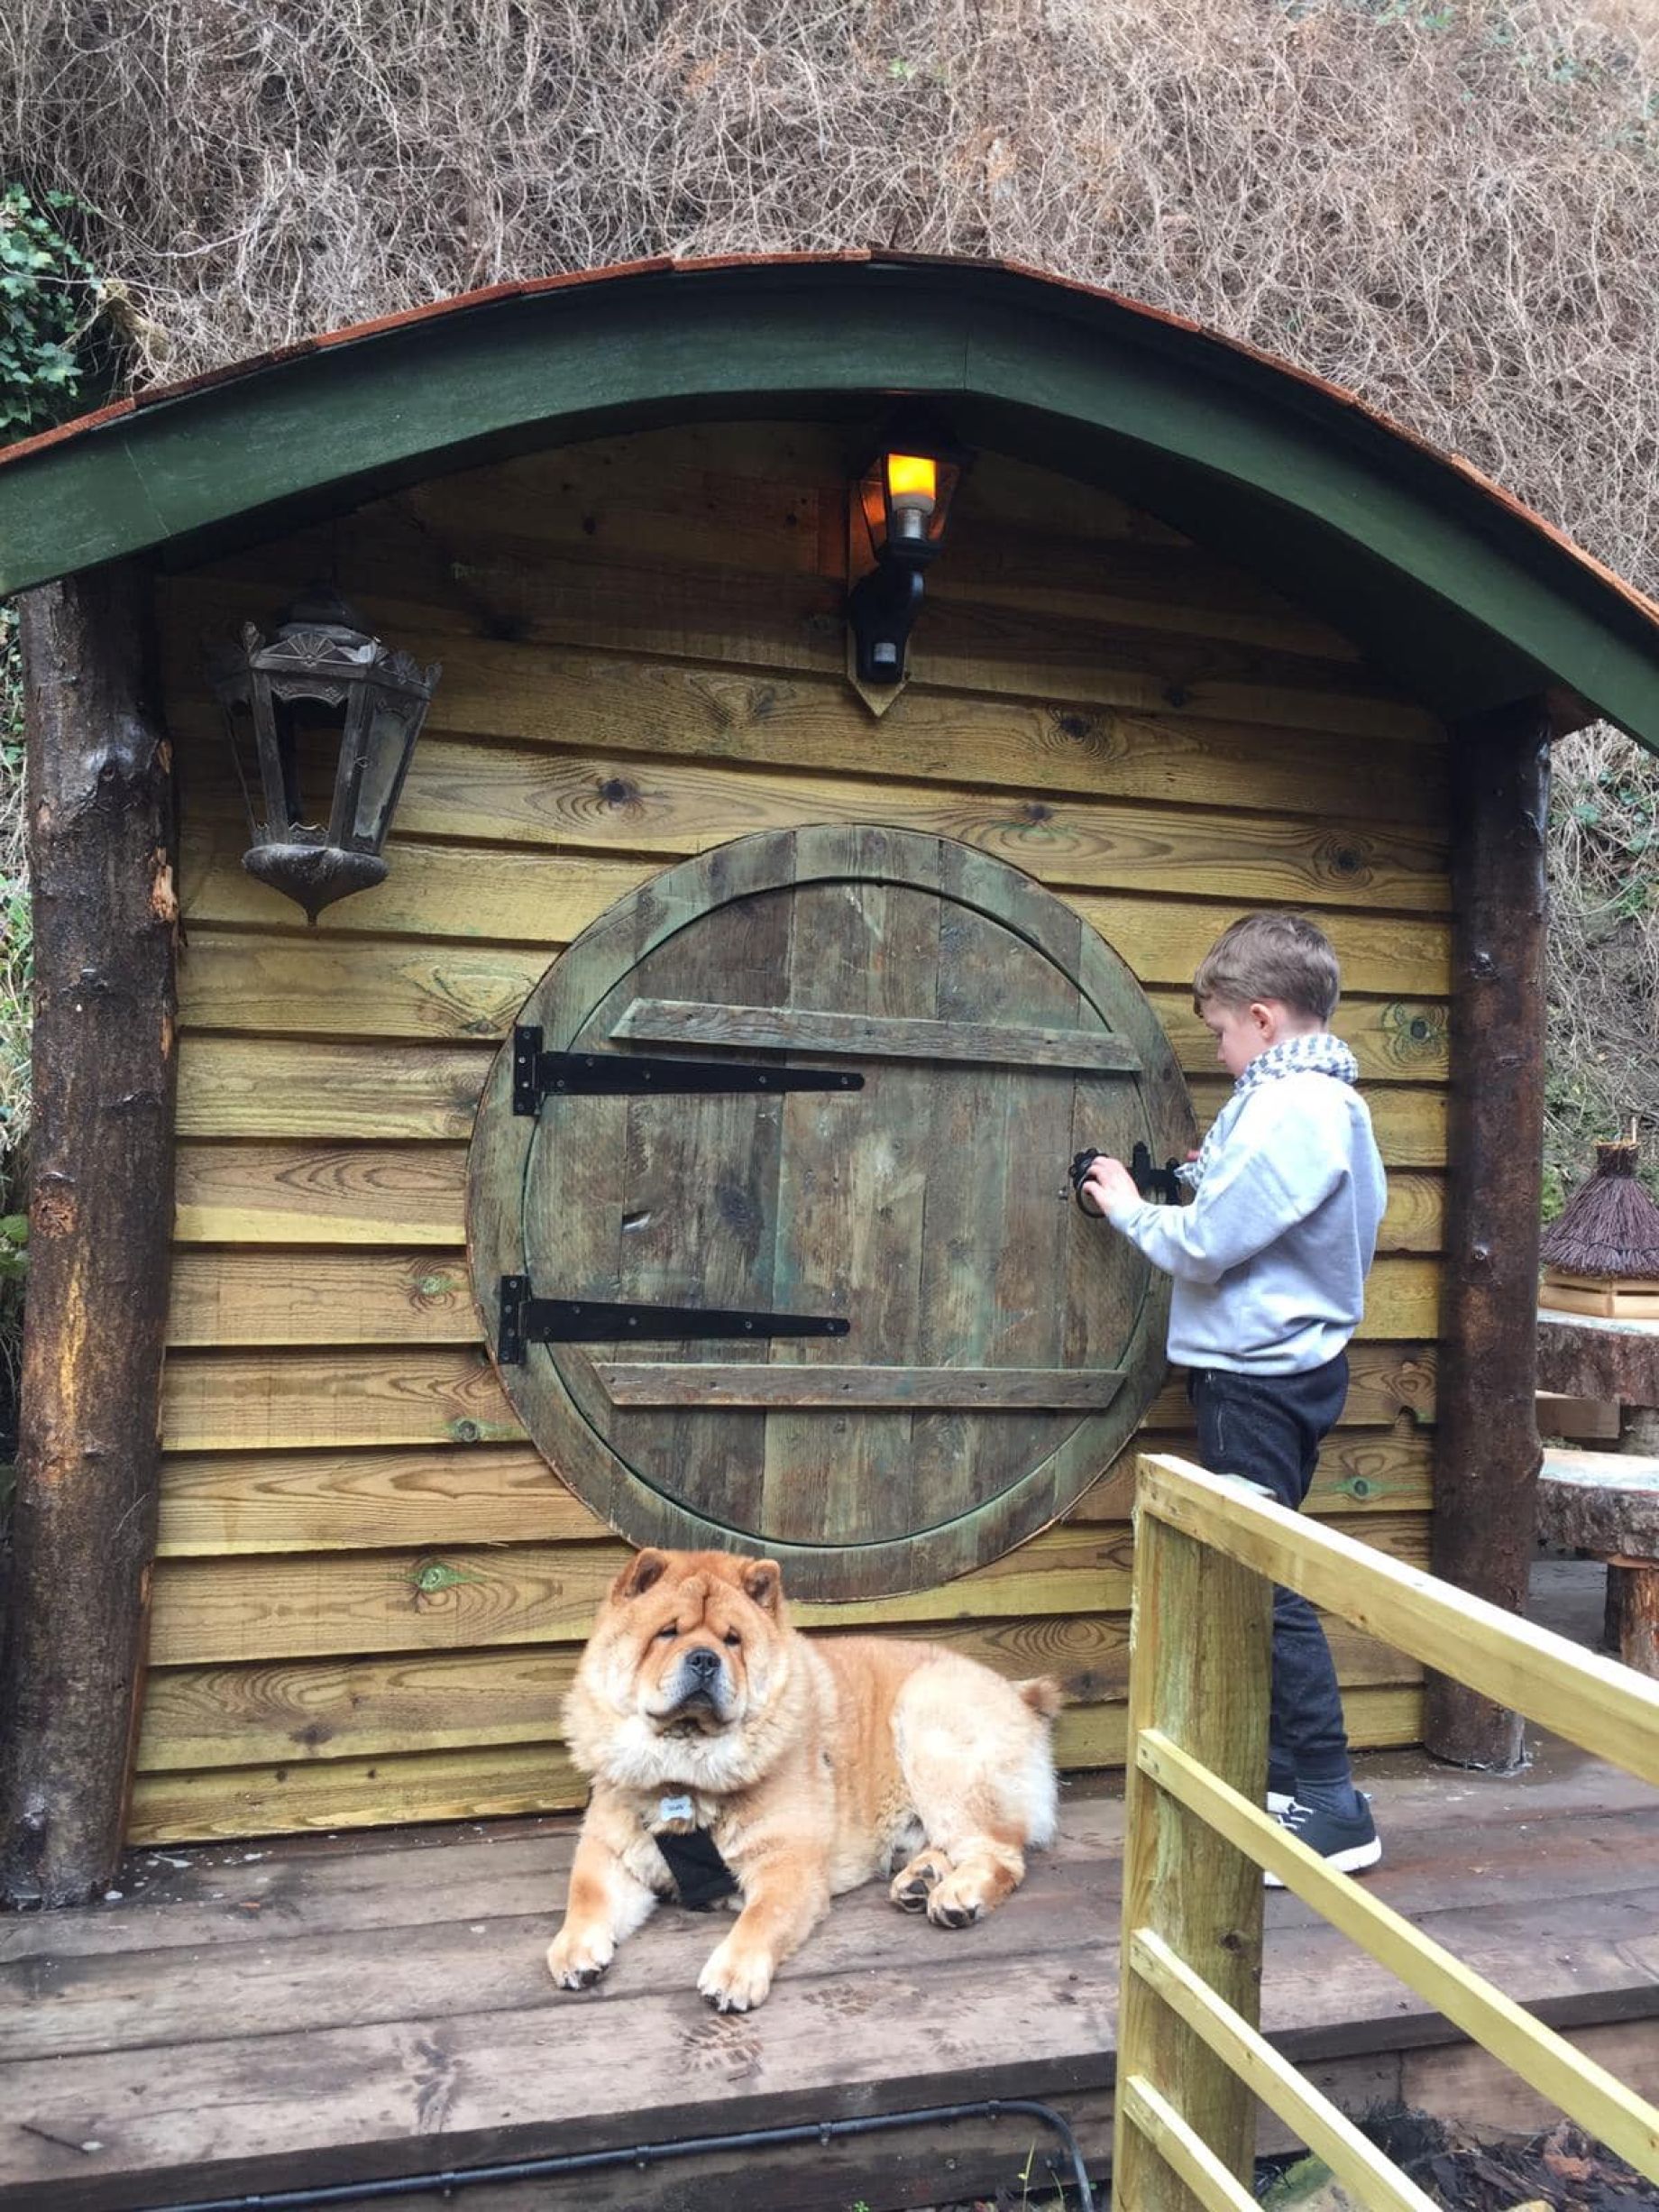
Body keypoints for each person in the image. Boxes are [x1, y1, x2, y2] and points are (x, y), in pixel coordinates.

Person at [1079, 911, 1388, 1877]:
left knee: (1265, 1582)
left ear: (1262, 1017)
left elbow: (1210, 1245)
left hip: (1259, 1378)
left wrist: (1129, 1209)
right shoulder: (1322, 1101)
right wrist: (1187, 1180)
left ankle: (1331, 1803)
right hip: (1283, 1369)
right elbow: (1261, 1209)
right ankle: (1292, 1785)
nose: (1215, 1050)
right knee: (1260, 1574)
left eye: (1218, 1029)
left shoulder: (1294, 1108)